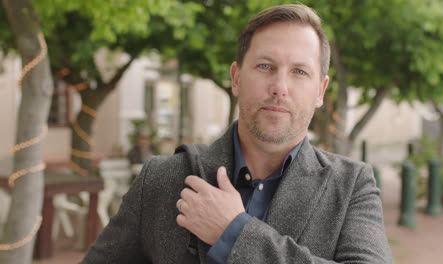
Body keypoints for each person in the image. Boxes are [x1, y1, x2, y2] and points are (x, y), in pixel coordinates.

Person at [81, 4, 393, 264]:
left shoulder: (352, 186)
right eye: (265, 66)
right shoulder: (163, 178)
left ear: (320, 91)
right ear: (236, 77)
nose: (279, 88)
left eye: (299, 72)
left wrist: (234, 232)